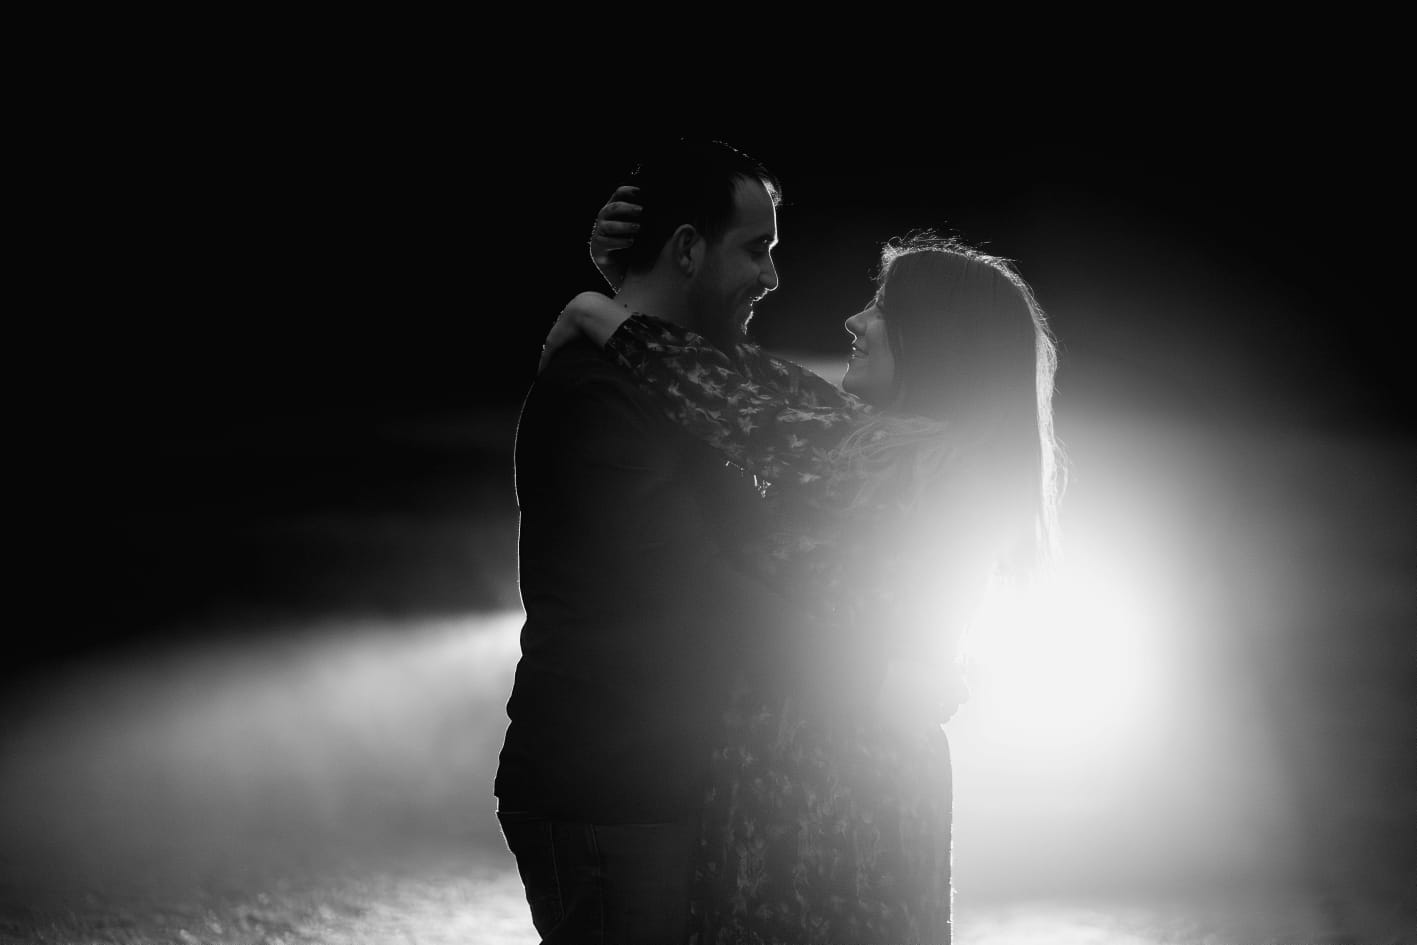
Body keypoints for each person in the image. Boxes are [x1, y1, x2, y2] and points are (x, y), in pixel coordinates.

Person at [545, 220, 1062, 944]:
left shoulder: (914, 458)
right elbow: (757, 380)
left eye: (881, 306)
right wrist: (633, 292)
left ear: (935, 338)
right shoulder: (908, 446)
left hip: (832, 788)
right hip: (832, 771)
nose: (854, 319)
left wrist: (595, 315)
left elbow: (736, 408)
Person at [493, 139, 804, 945]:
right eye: (755, 248)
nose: (772, 275)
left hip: (644, 778)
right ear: (688, 249)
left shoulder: (676, 382)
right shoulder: (596, 393)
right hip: (609, 784)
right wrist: (865, 646)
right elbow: (692, 586)